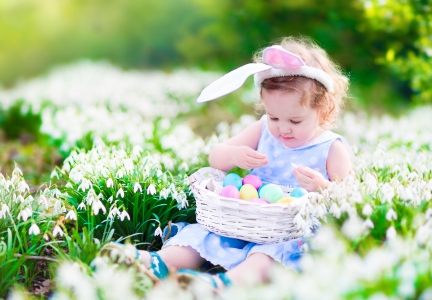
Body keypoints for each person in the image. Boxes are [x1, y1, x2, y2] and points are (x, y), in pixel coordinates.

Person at [99, 36, 355, 291]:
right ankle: (155, 262)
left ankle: (222, 285)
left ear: (322, 109)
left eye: (295, 121)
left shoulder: (331, 148)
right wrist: (234, 157)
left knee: (266, 256)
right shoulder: (263, 130)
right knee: (205, 235)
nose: (283, 128)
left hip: (291, 231)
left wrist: (322, 186)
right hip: (243, 220)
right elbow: (216, 157)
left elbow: (349, 199)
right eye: (274, 116)